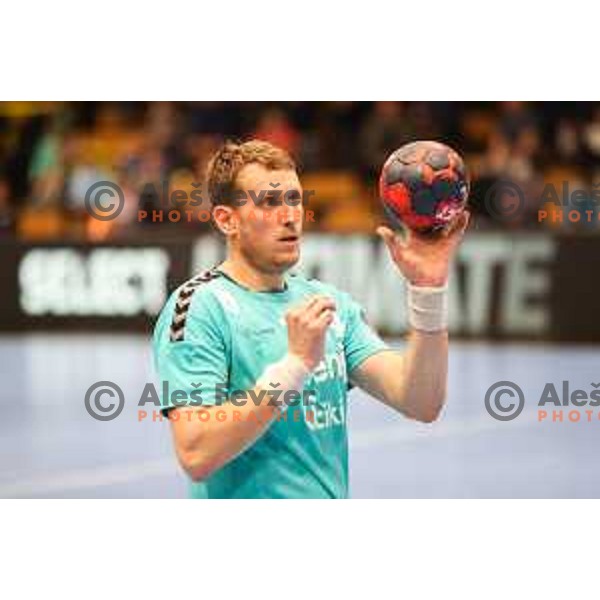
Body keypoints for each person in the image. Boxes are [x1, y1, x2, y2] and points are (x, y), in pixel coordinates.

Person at [152, 140, 469, 498]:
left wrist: (428, 290)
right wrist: (294, 366)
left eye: (294, 199)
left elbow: (420, 402)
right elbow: (196, 452)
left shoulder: (329, 304)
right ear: (227, 220)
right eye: (269, 203)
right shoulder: (198, 307)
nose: (289, 215)